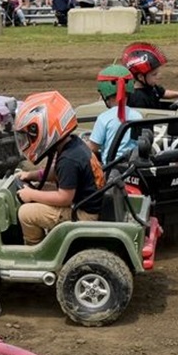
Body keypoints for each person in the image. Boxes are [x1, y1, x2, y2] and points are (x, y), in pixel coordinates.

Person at [15, 91, 105, 244]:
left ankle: (34, 253)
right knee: (42, 192)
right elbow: (59, 173)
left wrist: (31, 195)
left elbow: (64, 198)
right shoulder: (73, 145)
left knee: (26, 213)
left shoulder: (69, 159)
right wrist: (31, 176)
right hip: (86, 204)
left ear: (46, 130)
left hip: (83, 215)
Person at [88, 64, 143, 162]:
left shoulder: (104, 118)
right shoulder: (137, 116)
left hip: (111, 170)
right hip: (132, 167)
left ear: (104, 94)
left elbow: (93, 148)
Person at [122, 43, 178, 109]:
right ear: (141, 77)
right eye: (154, 74)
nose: (158, 76)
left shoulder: (151, 87)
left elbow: (163, 93)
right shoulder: (137, 98)